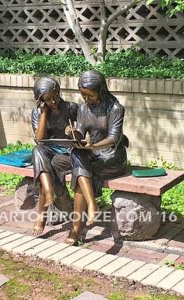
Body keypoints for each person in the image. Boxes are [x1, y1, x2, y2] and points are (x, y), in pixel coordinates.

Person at [65, 70, 128, 245]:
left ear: (101, 91)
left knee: (81, 174)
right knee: (78, 154)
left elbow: (114, 139)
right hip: (92, 154)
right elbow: (81, 134)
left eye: (89, 96)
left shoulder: (115, 108)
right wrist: (72, 133)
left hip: (112, 156)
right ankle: (92, 205)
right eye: (83, 96)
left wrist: (93, 146)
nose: (86, 100)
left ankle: (75, 229)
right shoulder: (83, 108)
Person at [31, 77, 78, 235]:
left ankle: (41, 216)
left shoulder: (71, 108)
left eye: (55, 96)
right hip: (48, 150)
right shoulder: (37, 112)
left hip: (68, 153)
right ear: (40, 101)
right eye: (48, 99)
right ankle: (49, 192)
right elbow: (39, 138)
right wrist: (44, 113)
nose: (54, 101)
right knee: (37, 150)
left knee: (50, 166)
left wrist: (73, 132)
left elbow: (84, 132)